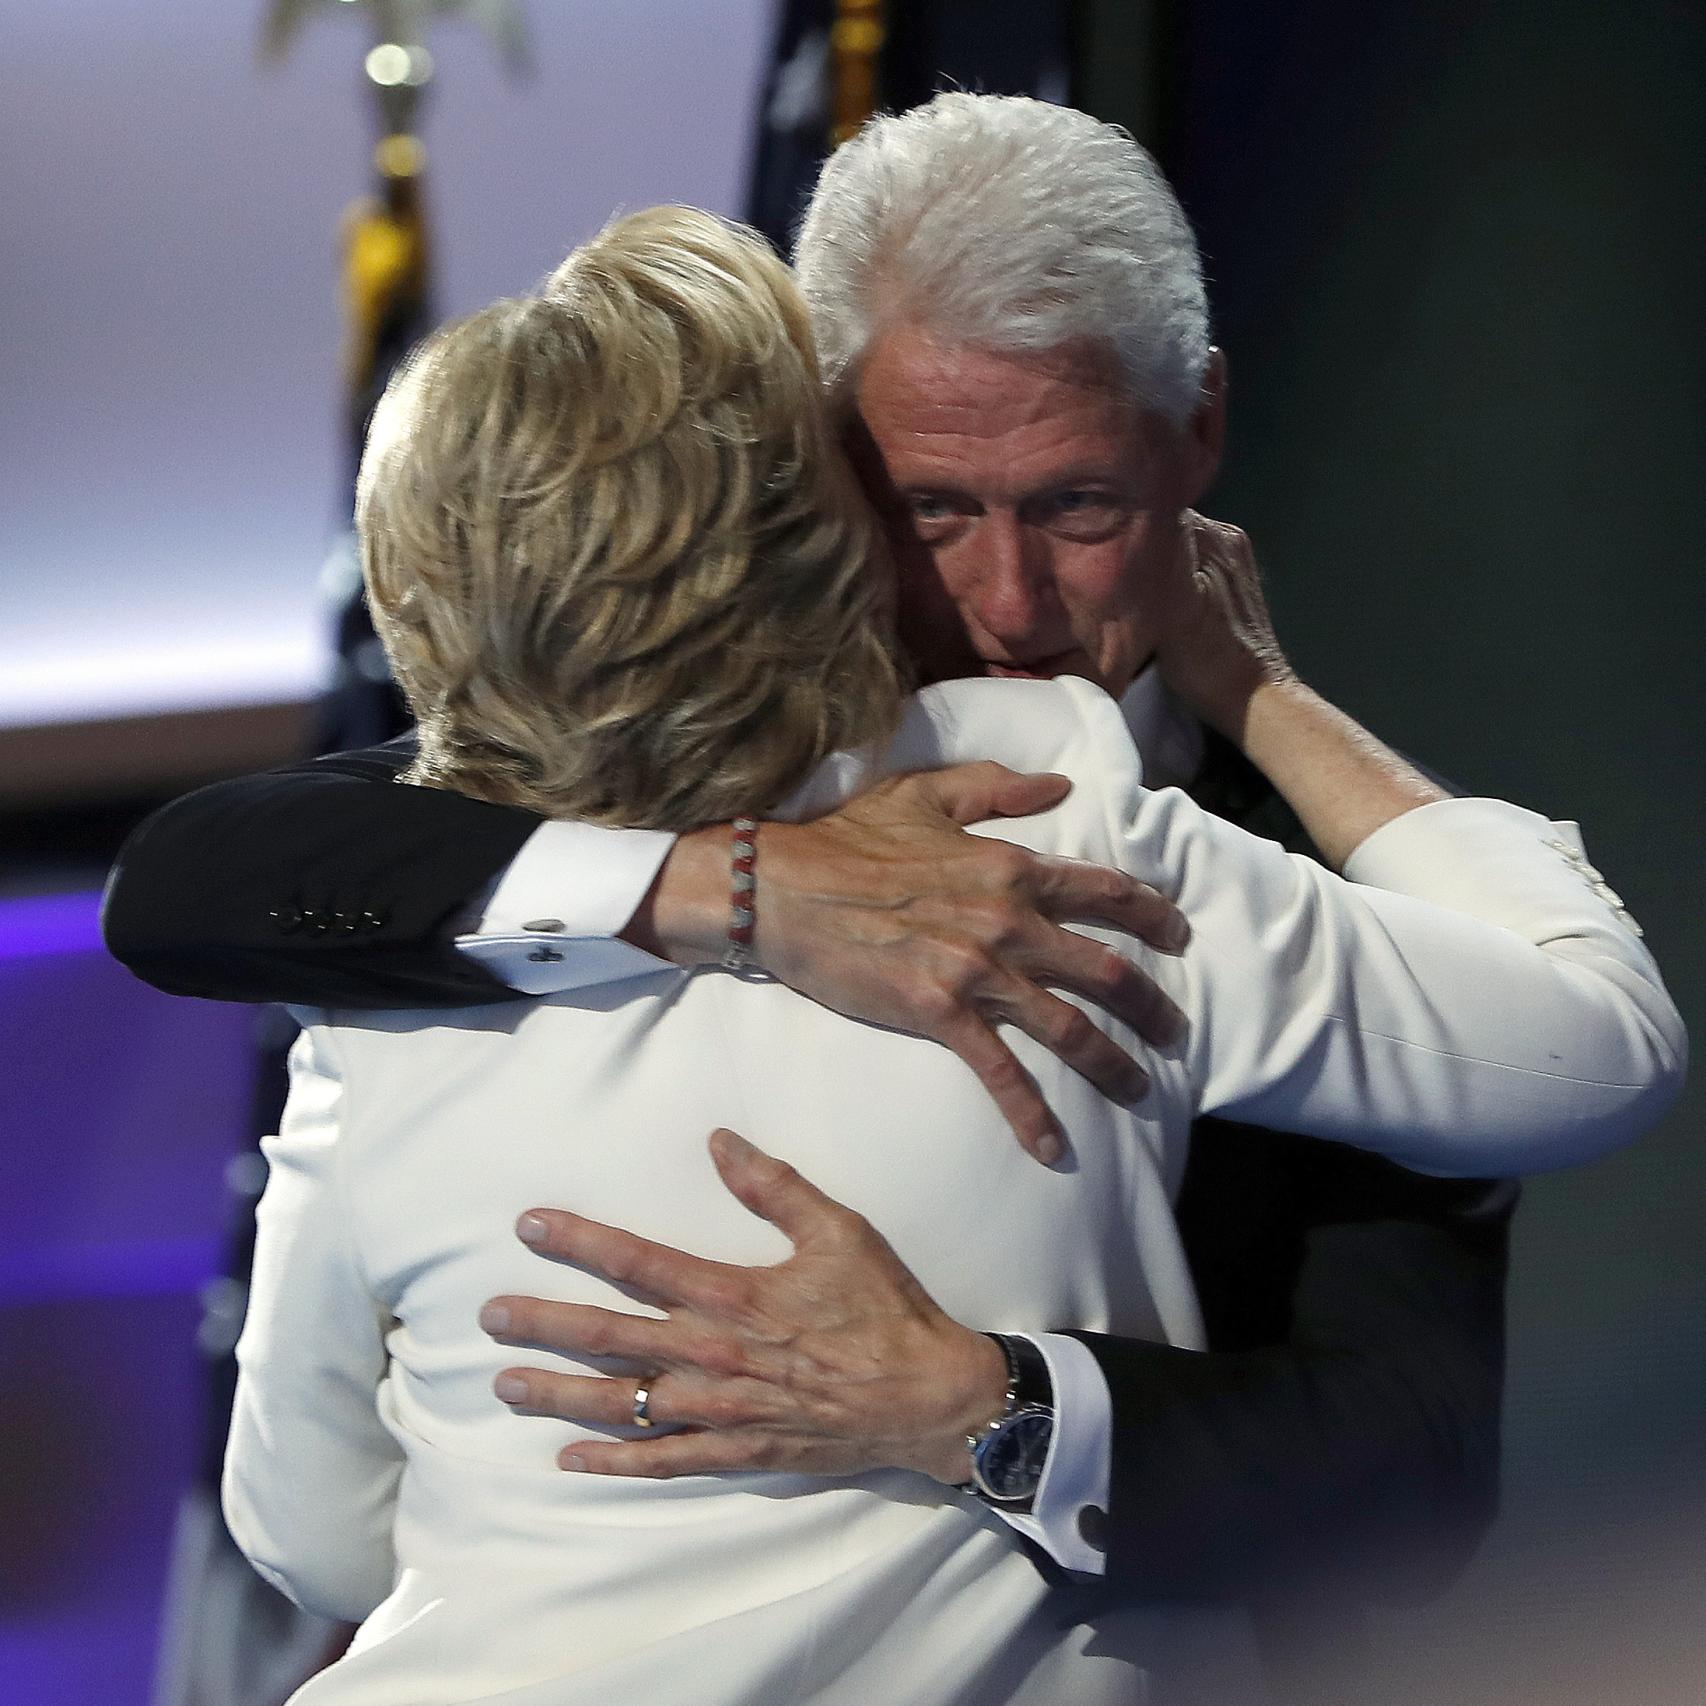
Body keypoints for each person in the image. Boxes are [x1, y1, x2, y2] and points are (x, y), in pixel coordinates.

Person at [101, 96, 1682, 1694]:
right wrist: (742, 886)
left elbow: (1402, 1477)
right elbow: (187, 882)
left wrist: (986, 1409)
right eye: (931, 510)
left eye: (1078, 507)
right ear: (813, 465)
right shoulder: (549, 810)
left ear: (1195, 431)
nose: (1007, 603)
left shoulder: (1263, 860)